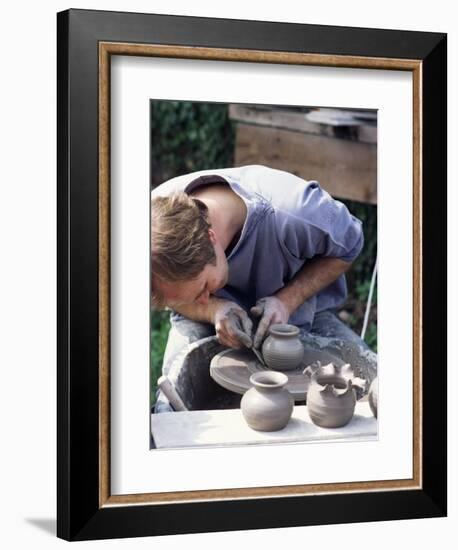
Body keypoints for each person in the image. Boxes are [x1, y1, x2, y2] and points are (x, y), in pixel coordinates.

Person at [151, 164, 369, 412]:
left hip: (302, 312)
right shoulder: (151, 225)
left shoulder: (296, 211)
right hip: (202, 322)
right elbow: (178, 299)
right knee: (169, 406)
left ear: (211, 238)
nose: (202, 298)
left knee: (374, 389)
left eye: (204, 287)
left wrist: (287, 300)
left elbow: (350, 246)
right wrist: (212, 310)